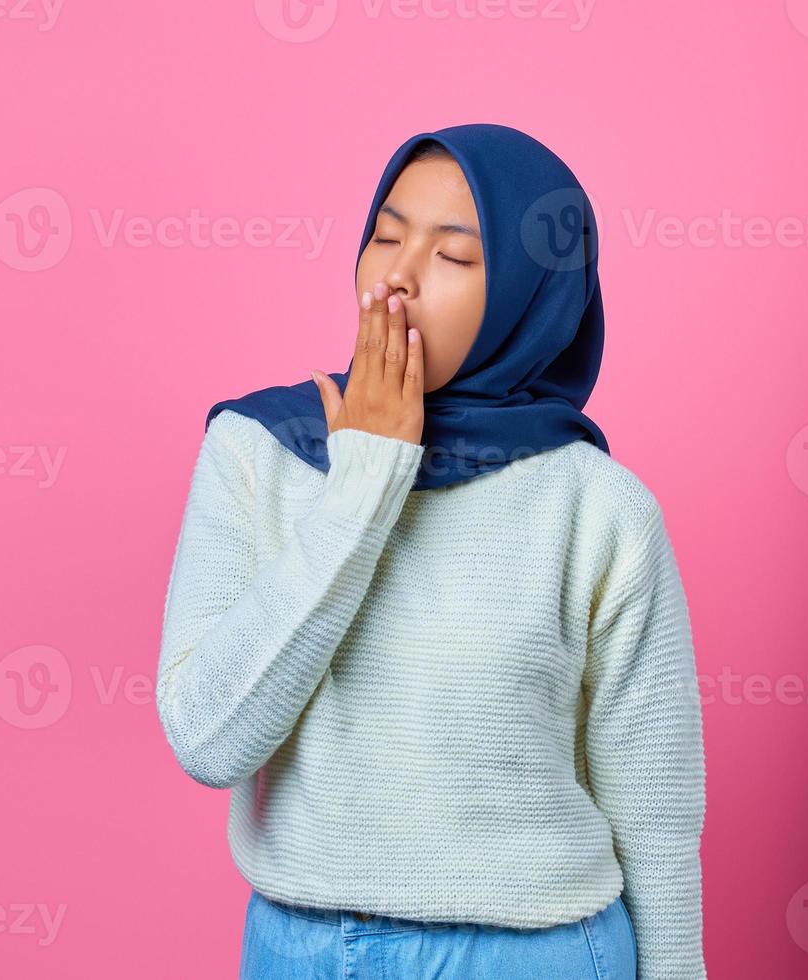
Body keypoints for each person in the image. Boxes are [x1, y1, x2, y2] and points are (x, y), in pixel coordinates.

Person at [155, 123, 706, 979]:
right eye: (383, 236)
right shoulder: (255, 449)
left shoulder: (598, 508)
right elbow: (209, 740)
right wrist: (366, 480)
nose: (397, 278)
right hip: (300, 951)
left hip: (539, 955)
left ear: (533, 296)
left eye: (453, 258)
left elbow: (655, 807)